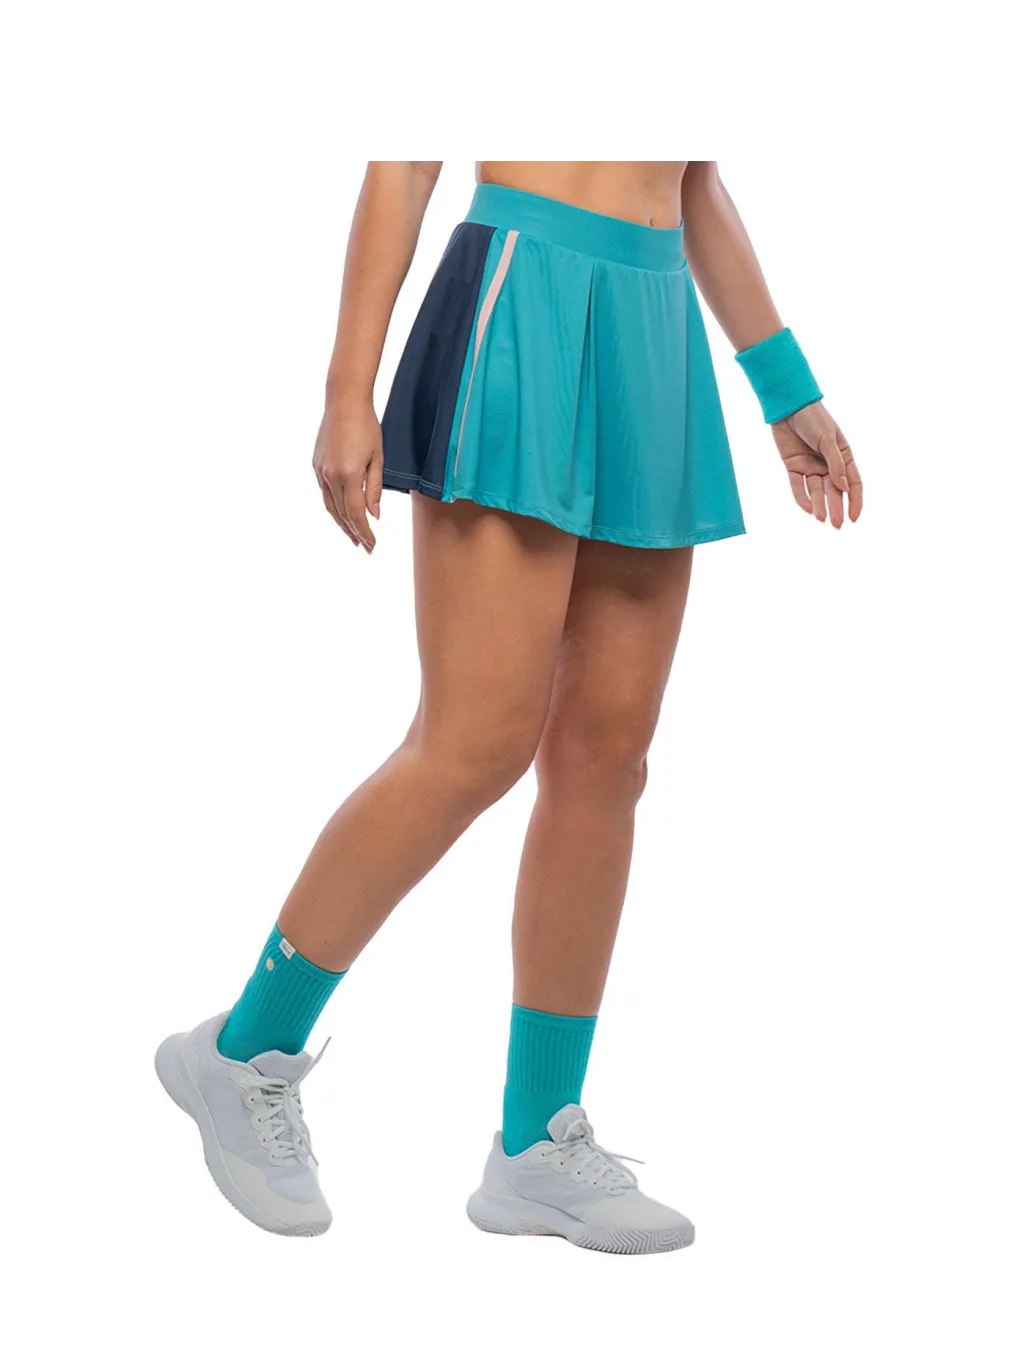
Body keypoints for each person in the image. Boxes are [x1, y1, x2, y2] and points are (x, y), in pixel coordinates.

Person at [155, 160, 862, 1252]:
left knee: (607, 760)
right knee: (473, 744)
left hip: (653, 318)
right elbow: (404, 161)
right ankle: (243, 1050)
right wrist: (347, 388)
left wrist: (784, 383)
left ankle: (536, 1144)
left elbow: (693, 172)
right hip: (520, 296)